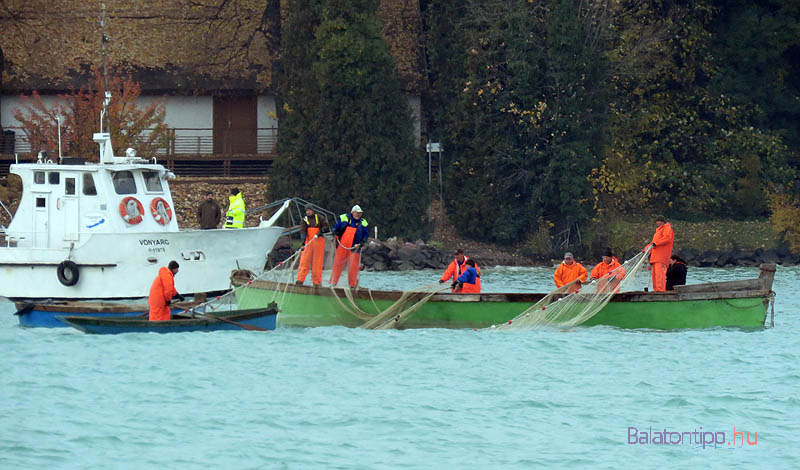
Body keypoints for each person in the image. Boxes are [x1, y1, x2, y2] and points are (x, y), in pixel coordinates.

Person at [329, 204, 369, 288]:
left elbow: (366, 235)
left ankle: (352, 285)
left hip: (355, 247)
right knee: (338, 264)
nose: (358, 214)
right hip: (343, 245)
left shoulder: (363, 223)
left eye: (360, 213)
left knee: (353, 267)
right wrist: (334, 231)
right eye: (357, 212)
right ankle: (333, 283)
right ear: (352, 212)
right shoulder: (345, 218)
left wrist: (362, 242)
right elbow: (337, 227)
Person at [296, 205, 329, 287]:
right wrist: (303, 242)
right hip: (309, 242)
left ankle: (317, 282)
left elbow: (326, 227)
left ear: (313, 210)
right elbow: (303, 231)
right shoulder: (304, 220)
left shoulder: (320, 218)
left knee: (317, 263)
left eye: (309, 210)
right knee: (304, 261)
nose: (308, 212)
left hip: (319, 242)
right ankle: (299, 280)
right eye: (307, 211)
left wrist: (320, 232)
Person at [643, 215, 675, 292]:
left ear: (662, 221)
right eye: (657, 222)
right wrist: (646, 248)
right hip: (655, 258)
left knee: (660, 276)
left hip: (661, 257)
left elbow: (667, 238)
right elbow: (653, 243)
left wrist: (655, 243)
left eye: (659, 221)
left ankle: (661, 291)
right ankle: (656, 290)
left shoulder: (667, 228)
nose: (657, 223)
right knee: (655, 276)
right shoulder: (658, 231)